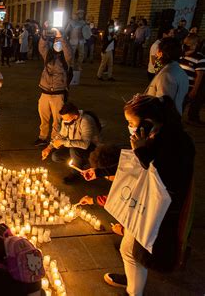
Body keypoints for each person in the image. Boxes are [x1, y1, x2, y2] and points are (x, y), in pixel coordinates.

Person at [104, 94, 195, 296]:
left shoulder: (177, 142)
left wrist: (142, 151)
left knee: (133, 251)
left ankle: (134, 291)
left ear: (147, 121)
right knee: (129, 249)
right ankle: (133, 282)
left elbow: (162, 178)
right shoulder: (158, 134)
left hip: (158, 209)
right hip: (144, 203)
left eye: (130, 122)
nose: (129, 126)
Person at [41, 102, 100, 184]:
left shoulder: (86, 121)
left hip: (90, 149)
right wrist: (49, 147)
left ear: (75, 116)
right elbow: (61, 135)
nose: (64, 121)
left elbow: (85, 144)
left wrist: (64, 142)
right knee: (56, 156)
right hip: (73, 146)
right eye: (63, 118)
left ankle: (75, 173)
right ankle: (79, 163)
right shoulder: (66, 120)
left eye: (67, 119)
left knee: (73, 151)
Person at [35, 23, 73, 147]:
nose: (57, 44)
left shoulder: (66, 58)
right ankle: (42, 137)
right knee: (44, 118)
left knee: (57, 120)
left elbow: (69, 51)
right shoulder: (48, 55)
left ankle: (54, 140)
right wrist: (44, 33)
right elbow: (41, 47)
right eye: (55, 42)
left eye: (59, 42)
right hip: (45, 92)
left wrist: (61, 37)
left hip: (58, 93)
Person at [146, 37, 189, 115]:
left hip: (164, 120)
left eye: (157, 51)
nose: (156, 54)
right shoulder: (179, 70)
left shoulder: (167, 75)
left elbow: (163, 102)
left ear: (161, 53)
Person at [179, 34, 205, 126]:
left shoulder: (199, 58)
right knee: (179, 104)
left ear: (195, 45)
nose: (185, 45)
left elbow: (199, 76)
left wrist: (194, 90)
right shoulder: (181, 55)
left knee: (184, 103)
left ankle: (190, 119)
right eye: (185, 43)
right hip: (180, 85)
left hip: (189, 87)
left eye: (188, 43)